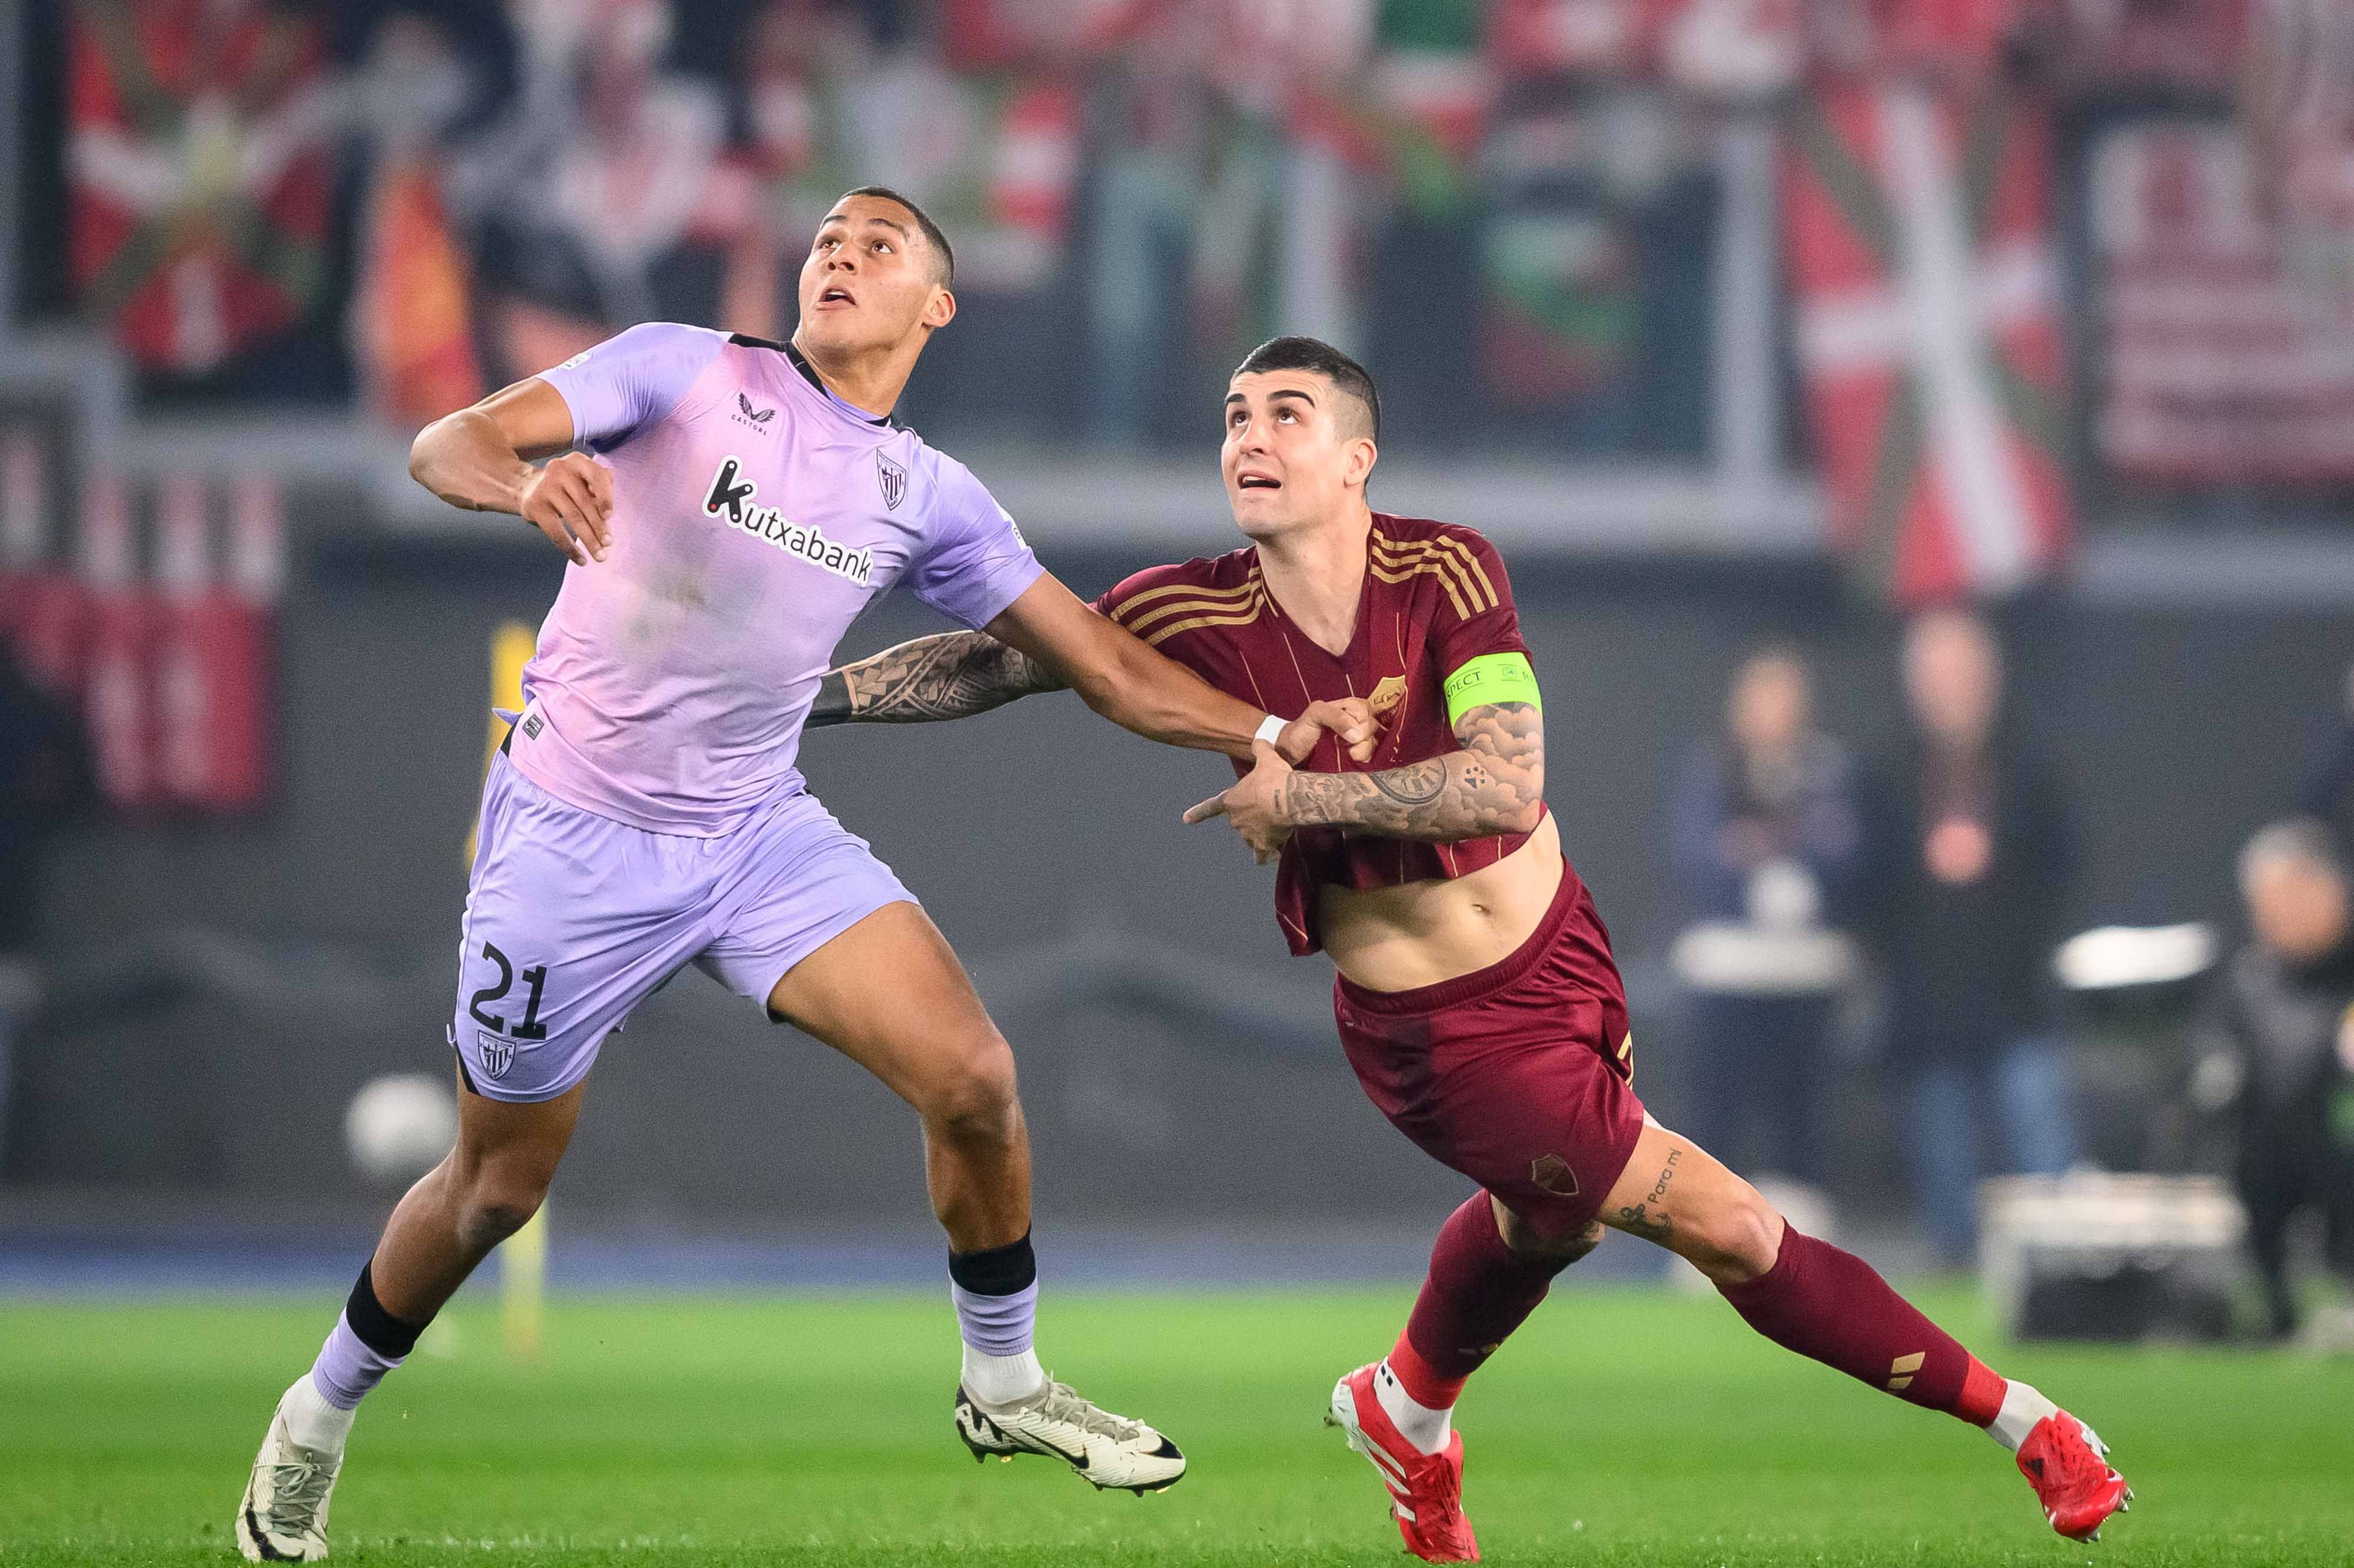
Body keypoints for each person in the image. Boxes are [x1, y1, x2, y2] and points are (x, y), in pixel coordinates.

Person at [811, 336, 2133, 1562]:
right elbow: (1002, 663)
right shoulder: (1183, 610)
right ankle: (2027, 1425)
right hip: (1443, 1035)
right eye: (1232, 418)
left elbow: (1506, 787)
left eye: (1286, 414)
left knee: (1547, 1225)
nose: (1249, 438)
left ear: (1354, 459)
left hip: (1563, 952)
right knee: (1727, 1225)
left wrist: (1300, 796)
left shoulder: (1446, 567)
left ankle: (1404, 1407)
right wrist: (810, 697)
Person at [232, 187, 1379, 1563]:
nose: (840, 253)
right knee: (494, 1188)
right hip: (570, 836)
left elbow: (1104, 666)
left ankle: (1002, 1381)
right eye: (828, 236)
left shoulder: (925, 493)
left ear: (933, 308)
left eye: (878, 244)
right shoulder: (680, 366)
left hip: (753, 835)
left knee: (975, 1077)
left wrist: (1266, 732)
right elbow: (445, 439)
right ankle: (316, 1412)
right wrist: (524, 479)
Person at [1863, 608, 2079, 1268]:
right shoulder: (1884, 776)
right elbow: (1867, 887)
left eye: (1961, 670)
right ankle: (1953, 1299)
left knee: (2044, 1149)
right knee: (1944, 1177)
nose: (1949, 686)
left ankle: (2070, 1271)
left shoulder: (2030, 769)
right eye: (1936, 672)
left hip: (2016, 1001)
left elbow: (2059, 872)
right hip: (1927, 1010)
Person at [1667, 648, 1864, 1185]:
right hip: (1728, 973)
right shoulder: (1714, 769)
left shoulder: (1826, 769)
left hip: (1805, 974)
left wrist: (1779, 847)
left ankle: (1802, 1247)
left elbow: (1846, 850)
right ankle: (1697, 1236)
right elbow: (1694, 853)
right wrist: (1743, 858)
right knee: (1716, 1118)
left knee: (1799, 1122)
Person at [2197, 818, 2354, 1339]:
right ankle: (2277, 1307)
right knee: (2249, 1150)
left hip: (2341, 1137)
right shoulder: (2249, 981)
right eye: (2263, 905)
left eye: (2288, 899)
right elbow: (2223, 1058)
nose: (2273, 917)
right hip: (2274, 1147)